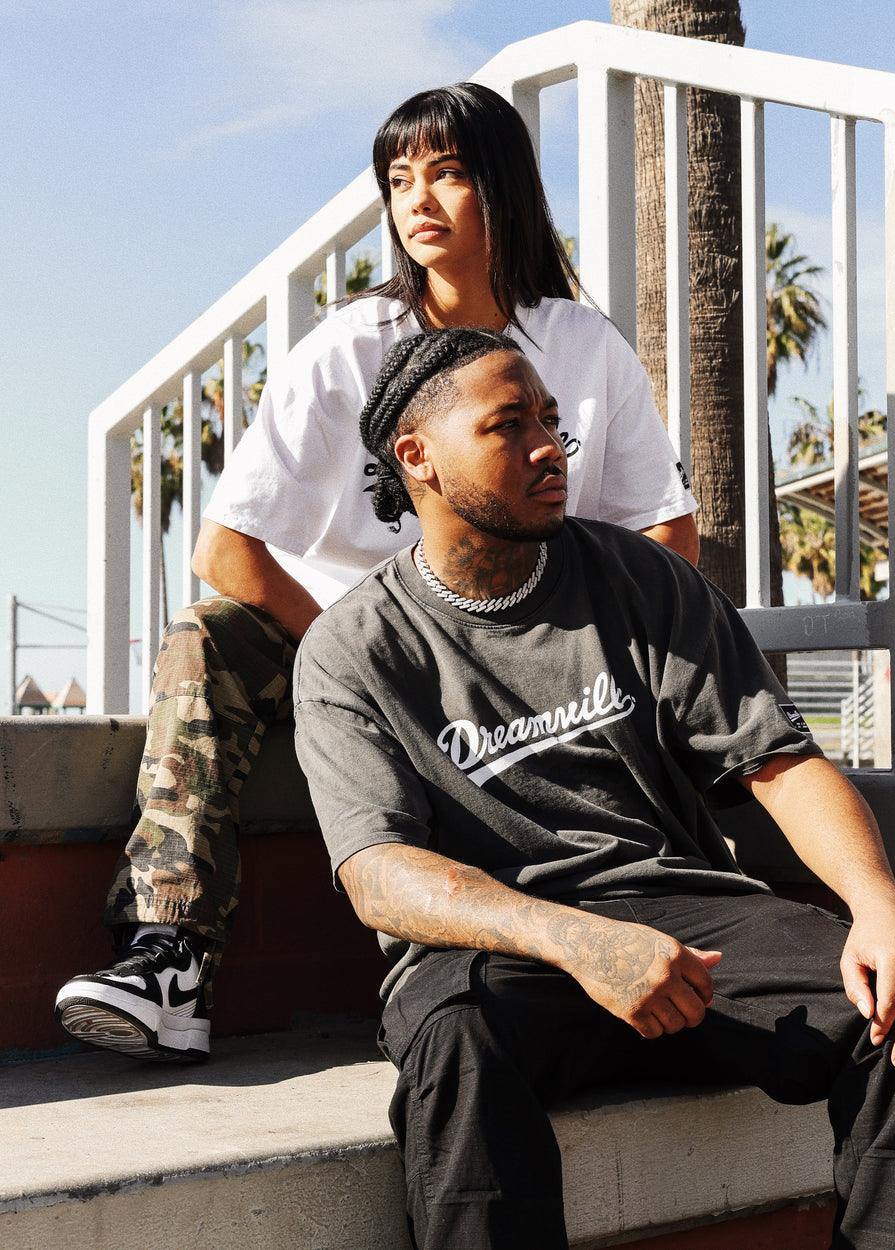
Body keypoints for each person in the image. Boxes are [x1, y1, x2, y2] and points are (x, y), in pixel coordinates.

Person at [293, 327, 895, 1250]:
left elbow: (779, 763)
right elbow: (379, 874)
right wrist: (577, 940)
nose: (550, 447)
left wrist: (881, 905)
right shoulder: (352, 649)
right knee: (456, 1040)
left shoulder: (641, 577)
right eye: (509, 425)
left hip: (686, 924)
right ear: (417, 458)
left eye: (551, 420)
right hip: (502, 948)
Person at [54, 82, 698, 1062]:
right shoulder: (352, 347)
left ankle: (642, 916)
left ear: (505, 188)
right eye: (399, 180)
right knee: (205, 632)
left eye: (447, 173)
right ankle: (167, 956)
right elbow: (225, 550)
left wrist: (576, 648)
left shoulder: (581, 345)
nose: (417, 201)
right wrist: (358, 656)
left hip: (523, 647)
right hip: (351, 640)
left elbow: (665, 532)